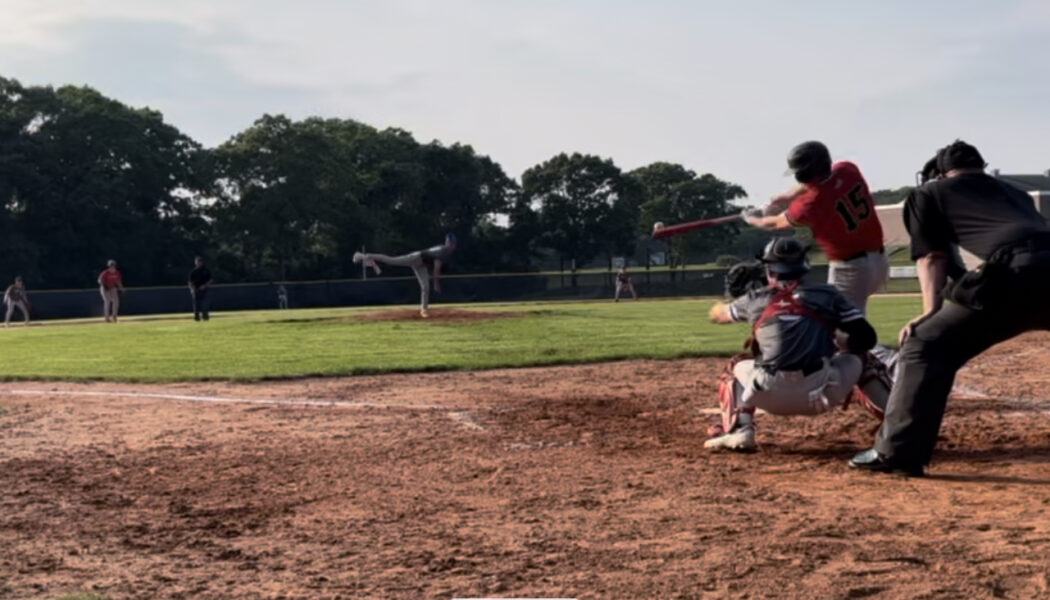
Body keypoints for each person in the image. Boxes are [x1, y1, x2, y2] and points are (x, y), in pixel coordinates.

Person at [851, 140, 1050, 477]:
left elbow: (932, 256)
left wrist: (930, 310)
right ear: (980, 167)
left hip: (1015, 274)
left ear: (943, 172)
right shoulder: (1016, 194)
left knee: (925, 344)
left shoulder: (929, 193)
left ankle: (898, 453)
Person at [704, 237, 890, 451]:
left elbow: (717, 315)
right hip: (821, 393)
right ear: (804, 265)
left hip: (767, 393)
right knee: (865, 358)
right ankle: (899, 422)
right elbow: (866, 338)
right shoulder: (828, 295)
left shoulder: (756, 298)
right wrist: (838, 347)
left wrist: (741, 299)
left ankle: (740, 431)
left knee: (735, 365)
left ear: (769, 270)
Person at [743, 141, 888, 316]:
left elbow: (774, 223)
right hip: (880, 261)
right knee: (849, 318)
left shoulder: (810, 204)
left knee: (841, 322)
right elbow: (813, 185)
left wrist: (752, 218)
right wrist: (778, 199)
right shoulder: (848, 170)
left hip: (850, 269)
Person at [353, 233, 457, 318]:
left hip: (422, 265)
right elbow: (436, 270)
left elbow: (433, 263)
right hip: (416, 258)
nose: (452, 246)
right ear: (450, 244)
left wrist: (435, 281)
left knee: (425, 287)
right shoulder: (443, 252)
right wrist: (436, 284)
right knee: (391, 260)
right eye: (451, 243)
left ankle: (424, 310)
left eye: (452, 243)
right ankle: (362, 256)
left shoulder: (442, 249)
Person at [188, 256, 212, 321]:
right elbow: (190, 282)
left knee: (205, 303)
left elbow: (210, 280)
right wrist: (192, 289)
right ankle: (197, 317)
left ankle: (205, 316)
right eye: (197, 262)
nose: (198, 263)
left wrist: (205, 286)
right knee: (196, 304)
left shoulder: (206, 270)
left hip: (204, 289)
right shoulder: (193, 272)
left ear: (202, 262)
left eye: (199, 262)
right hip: (196, 289)